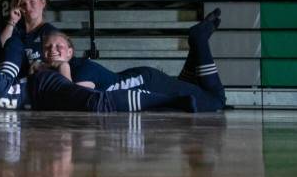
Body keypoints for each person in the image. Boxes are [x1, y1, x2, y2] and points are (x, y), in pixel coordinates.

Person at [0, 37, 197, 112]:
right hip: (41, 103)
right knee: (95, 104)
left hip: (42, 87)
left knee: (97, 103)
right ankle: (169, 99)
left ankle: (170, 100)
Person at [42, 9, 226, 112]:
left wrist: (62, 66)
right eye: (48, 48)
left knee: (216, 100)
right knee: (188, 86)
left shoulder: (80, 68)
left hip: (147, 83)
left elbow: (73, 98)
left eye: (59, 46)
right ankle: (196, 47)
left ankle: (198, 39)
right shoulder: (56, 71)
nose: (53, 50)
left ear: (70, 52)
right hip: (141, 80)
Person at [0, 0, 59, 69]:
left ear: (43, 3)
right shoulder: (15, 30)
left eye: (32, 2)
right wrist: (12, 21)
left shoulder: (50, 32)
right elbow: (1, 47)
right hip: (14, 76)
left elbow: (58, 62)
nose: (27, 7)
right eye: (23, 4)